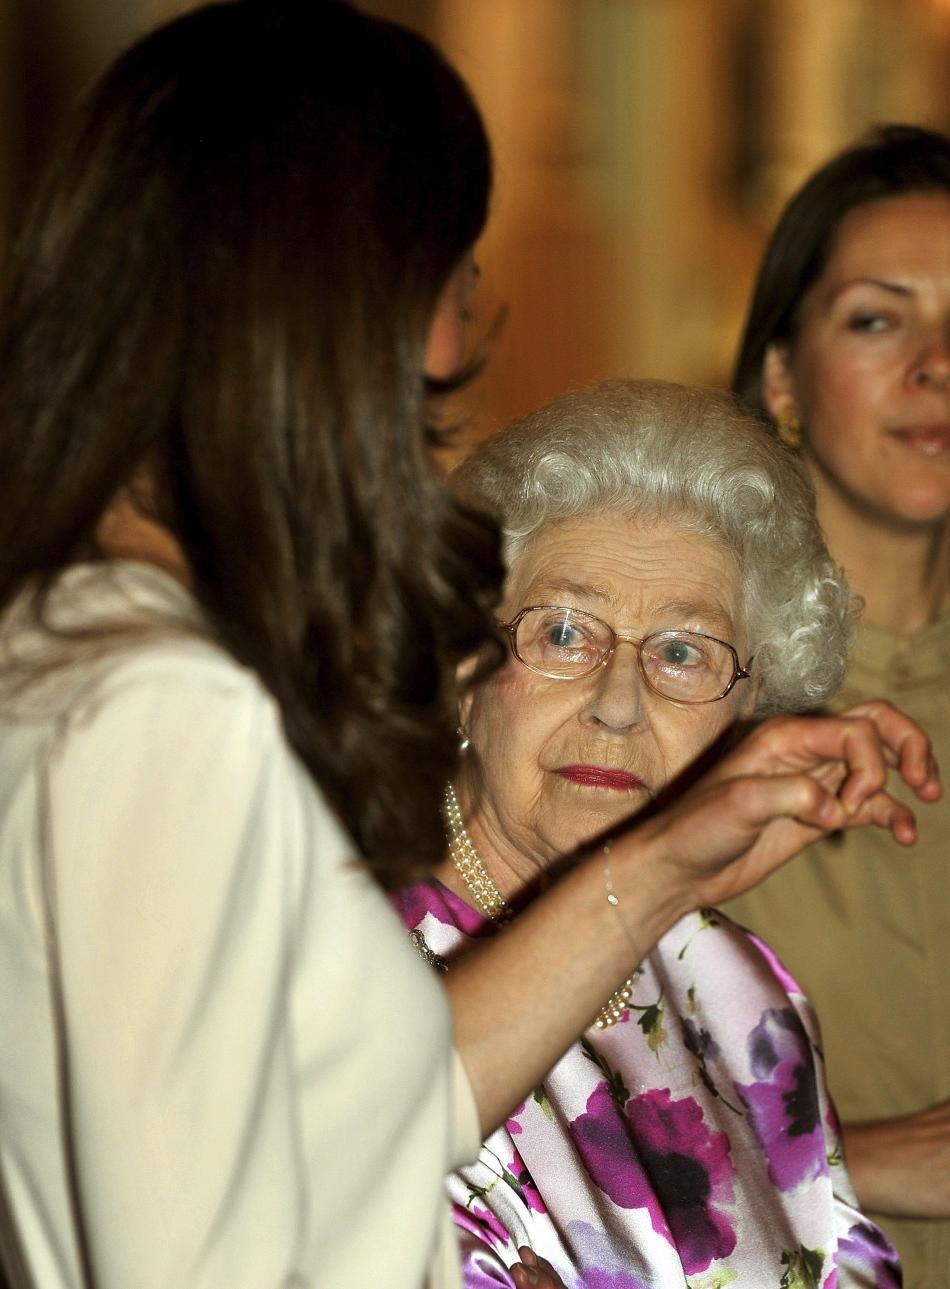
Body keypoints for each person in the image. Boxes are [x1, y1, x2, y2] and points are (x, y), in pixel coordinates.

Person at [0, 7, 938, 1283]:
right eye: (443, 293)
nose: (456, 343)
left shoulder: (85, 645)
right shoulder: (167, 704)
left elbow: (363, 1107)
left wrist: (663, 863)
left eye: (681, 654)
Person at [392, 378, 935, 1287]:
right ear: (462, 663)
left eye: (683, 651)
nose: (618, 701)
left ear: (746, 707)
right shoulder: (346, 959)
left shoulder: (733, 990)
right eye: (564, 632)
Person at [723, 123, 950, 1287]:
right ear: (778, 374)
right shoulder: (677, 691)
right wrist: (859, 1159)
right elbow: (513, 1112)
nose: (936, 362)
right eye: (877, 317)